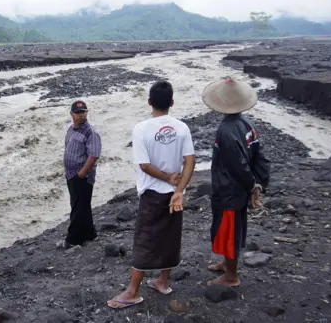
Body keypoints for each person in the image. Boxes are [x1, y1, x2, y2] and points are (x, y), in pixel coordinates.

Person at [107, 80, 196, 309]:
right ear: (172, 103)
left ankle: (133, 291)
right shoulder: (182, 127)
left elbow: (144, 165)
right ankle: (162, 281)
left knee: (145, 240)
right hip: (174, 194)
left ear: (149, 102)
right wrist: (179, 190)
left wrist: (167, 179)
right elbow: (190, 161)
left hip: (152, 193)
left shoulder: (141, 128)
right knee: (170, 237)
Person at [202, 77, 271, 287]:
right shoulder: (248, 124)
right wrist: (258, 183)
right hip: (238, 190)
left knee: (229, 230)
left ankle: (231, 276)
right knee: (232, 228)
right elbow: (260, 156)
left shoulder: (226, 130)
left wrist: (253, 186)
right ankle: (226, 264)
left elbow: (238, 164)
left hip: (229, 190)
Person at [57, 100, 102, 249]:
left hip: (82, 176)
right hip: (71, 174)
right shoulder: (71, 130)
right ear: (71, 114)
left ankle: (73, 239)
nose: (81, 115)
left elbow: (93, 155)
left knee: (77, 208)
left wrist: (82, 174)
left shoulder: (91, 132)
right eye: (78, 112)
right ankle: (90, 233)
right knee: (81, 205)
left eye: (83, 112)